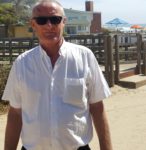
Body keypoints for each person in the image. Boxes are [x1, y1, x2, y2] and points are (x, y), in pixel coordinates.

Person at [2, 0, 113, 150]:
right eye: (42, 20)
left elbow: (97, 107)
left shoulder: (85, 57)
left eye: (55, 19)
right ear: (33, 25)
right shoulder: (22, 63)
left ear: (64, 22)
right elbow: (15, 113)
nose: (49, 25)